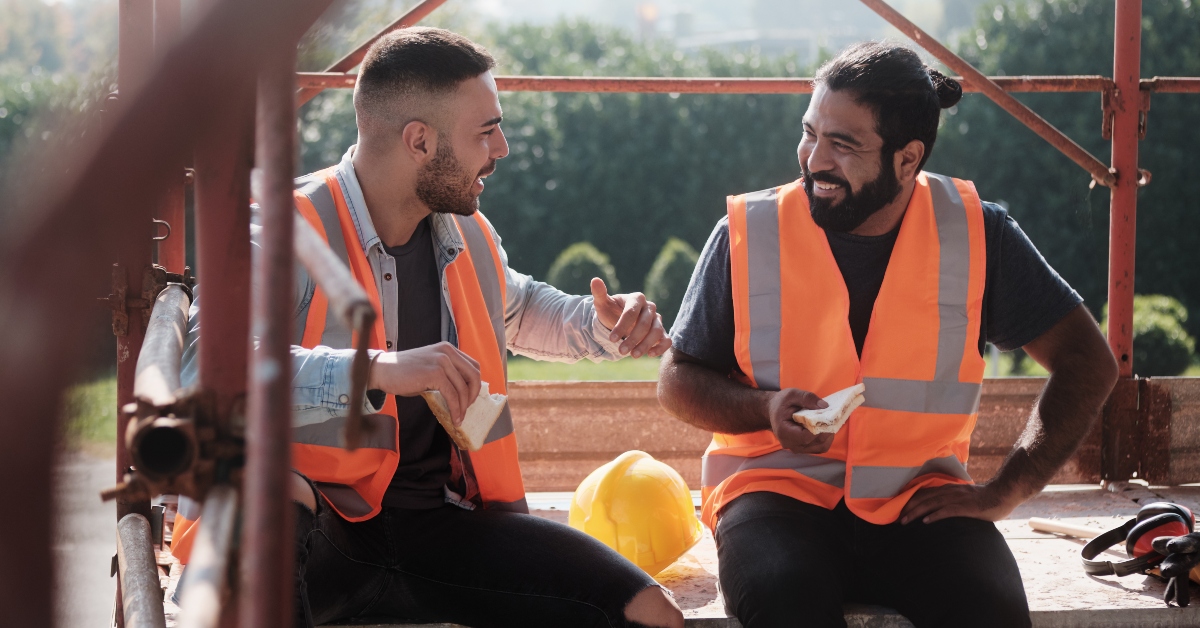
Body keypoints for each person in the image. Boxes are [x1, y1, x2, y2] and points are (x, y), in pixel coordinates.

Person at [176, 27, 682, 628]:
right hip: (322, 536)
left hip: (446, 532)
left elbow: (518, 308)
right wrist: (379, 370)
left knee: (651, 614)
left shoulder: (466, 232)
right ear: (419, 141)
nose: (503, 149)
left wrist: (603, 327)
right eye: (486, 131)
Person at [657, 42, 1119, 628]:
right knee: (784, 598)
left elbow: (1088, 363)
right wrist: (763, 408)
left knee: (991, 607)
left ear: (908, 159)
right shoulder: (749, 231)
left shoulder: (978, 232)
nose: (814, 160)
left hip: (920, 500)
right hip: (774, 494)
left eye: (842, 144)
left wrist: (1008, 488)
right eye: (809, 133)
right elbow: (676, 380)